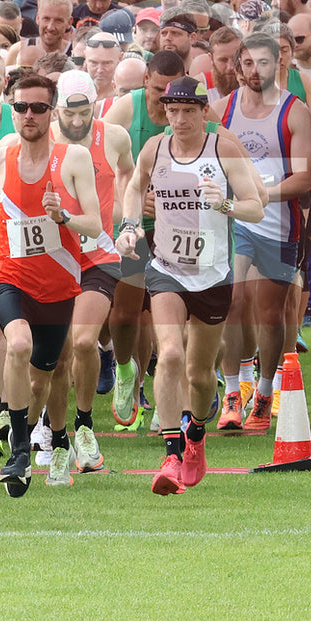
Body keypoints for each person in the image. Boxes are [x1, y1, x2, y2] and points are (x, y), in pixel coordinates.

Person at [0, 73, 102, 493]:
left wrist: (63, 216)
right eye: (20, 107)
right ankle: (18, 451)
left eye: (37, 108)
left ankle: (60, 437)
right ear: (11, 110)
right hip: (10, 276)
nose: (28, 115)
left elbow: (94, 222)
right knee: (16, 345)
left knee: (44, 378)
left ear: (51, 112)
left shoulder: (73, 159)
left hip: (59, 285)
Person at [116, 77, 264, 495]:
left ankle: (196, 433)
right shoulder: (155, 149)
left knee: (200, 376)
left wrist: (224, 204)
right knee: (170, 355)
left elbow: (255, 205)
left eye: (187, 111)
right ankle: (170, 451)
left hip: (213, 275)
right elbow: (133, 186)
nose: (178, 119)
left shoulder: (223, 149)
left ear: (203, 112)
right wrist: (130, 226)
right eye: (171, 110)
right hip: (165, 269)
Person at [213, 31, 311, 432]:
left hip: (277, 223)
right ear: (238, 67)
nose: (257, 71)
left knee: (269, 312)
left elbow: (304, 179)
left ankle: (266, 391)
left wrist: (260, 195)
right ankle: (234, 392)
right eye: (249, 63)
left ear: (279, 65)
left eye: (265, 63)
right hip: (234, 221)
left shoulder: (296, 112)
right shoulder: (222, 110)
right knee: (233, 301)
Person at [47, 71, 133, 473]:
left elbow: (130, 173)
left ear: (95, 105)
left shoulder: (113, 137)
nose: (77, 121)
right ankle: (56, 432)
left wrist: (125, 218)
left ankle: (84, 425)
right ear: (57, 109)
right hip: (51, 256)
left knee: (83, 342)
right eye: (69, 113)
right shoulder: (43, 139)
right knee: (58, 354)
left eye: (84, 112)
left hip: (99, 254)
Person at [102, 50, 186, 426]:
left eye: (173, 93)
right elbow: (101, 169)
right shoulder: (124, 110)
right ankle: (124, 371)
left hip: (179, 229)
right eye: (156, 92)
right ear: (145, 81)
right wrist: (131, 209)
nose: (165, 102)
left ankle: (168, 390)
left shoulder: (196, 113)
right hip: (132, 226)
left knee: (173, 314)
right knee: (124, 314)